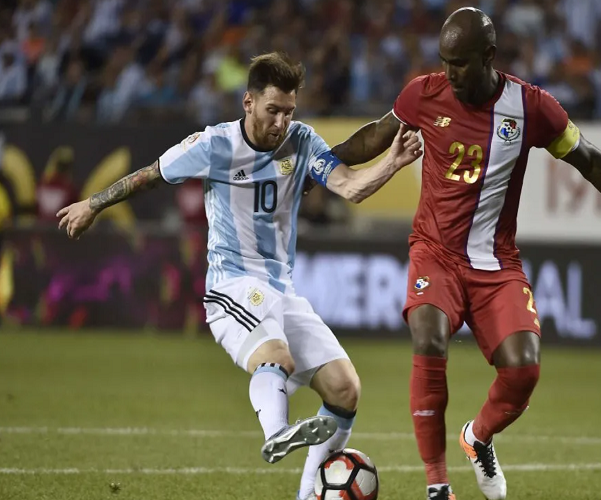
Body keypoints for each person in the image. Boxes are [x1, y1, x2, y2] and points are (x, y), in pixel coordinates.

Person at [328, 8, 601, 500]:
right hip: (435, 252)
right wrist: (320, 164)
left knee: (524, 369)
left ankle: (477, 436)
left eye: (460, 63)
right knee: (428, 337)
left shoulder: (531, 107)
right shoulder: (423, 93)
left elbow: (590, 161)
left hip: (495, 263)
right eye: (445, 61)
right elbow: (375, 136)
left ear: (489, 56)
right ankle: (438, 485)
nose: (450, 73)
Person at [56, 51, 421, 500]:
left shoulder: (302, 141)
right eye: (273, 110)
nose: (281, 122)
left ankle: (307, 495)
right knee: (278, 358)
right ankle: (277, 432)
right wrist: (93, 204)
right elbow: (151, 175)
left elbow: (351, 186)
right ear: (248, 102)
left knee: (345, 389)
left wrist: (394, 162)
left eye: (289, 112)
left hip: (282, 290)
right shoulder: (214, 145)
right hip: (232, 287)